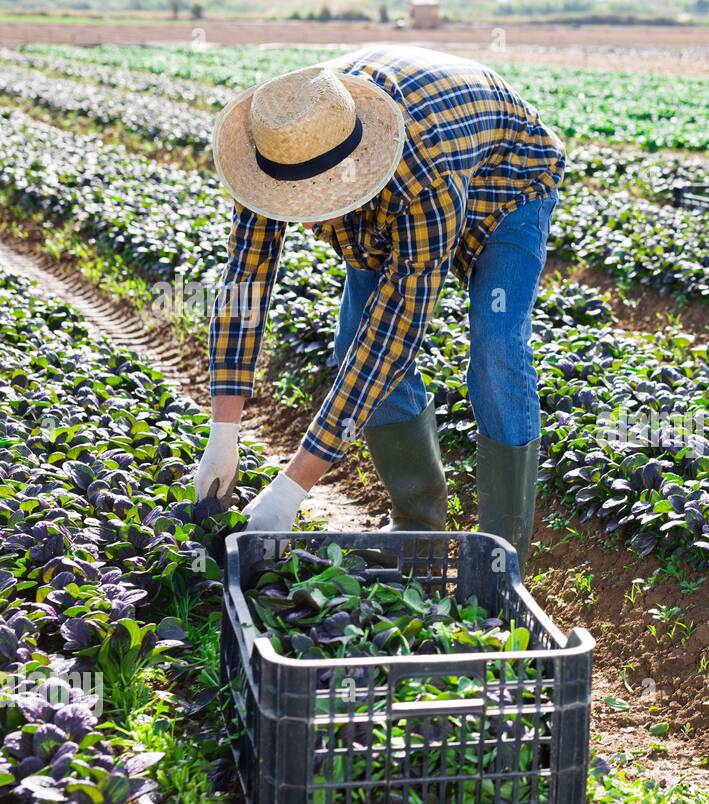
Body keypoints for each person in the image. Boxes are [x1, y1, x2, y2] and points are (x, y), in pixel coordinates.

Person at [193, 46, 564, 569]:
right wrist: (223, 431)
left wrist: (292, 488)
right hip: (396, 189)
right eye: (295, 203)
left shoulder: (423, 178)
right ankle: (418, 532)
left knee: (496, 344)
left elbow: (393, 336)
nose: (306, 222)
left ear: (356, 174)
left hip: (508, 182)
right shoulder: (278, 147)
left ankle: (503, 557)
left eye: (317, 204)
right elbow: (245, 283)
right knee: (350, 344)